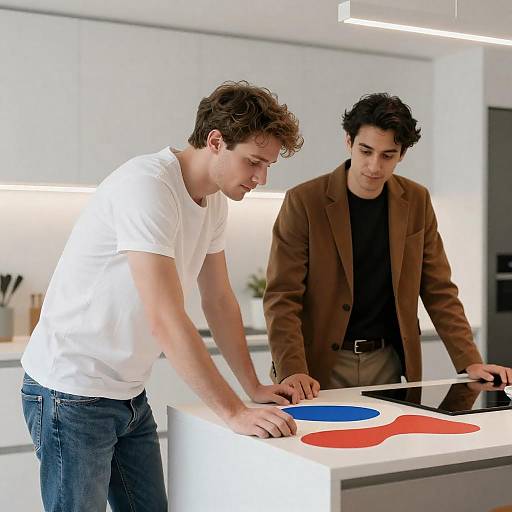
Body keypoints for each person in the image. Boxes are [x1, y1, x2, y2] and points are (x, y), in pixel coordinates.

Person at [20, 81, 304, 512]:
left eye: (267, 166)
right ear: (215, 141)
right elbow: (165, 317)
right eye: (254, 162)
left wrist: (253, 387)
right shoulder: (148, 186)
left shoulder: (214, 202)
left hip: (127, 393)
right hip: (70, 392)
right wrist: (234, 412)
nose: (261, 178)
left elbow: (219, 299)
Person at [264, 92, 512, 400]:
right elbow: (282, 295)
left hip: (389, 363)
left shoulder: (417, 201)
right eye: (365, 151)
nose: (374, 166)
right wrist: (291, 368)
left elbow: (438, 289)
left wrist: (470, 361)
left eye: (387, 155)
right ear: (348, 143)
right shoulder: (305, 201)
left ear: (402, 154)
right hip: (317, 366)